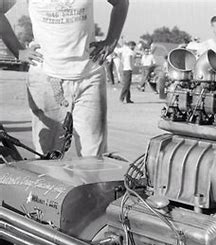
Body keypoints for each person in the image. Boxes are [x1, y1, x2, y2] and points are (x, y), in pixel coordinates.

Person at [1, 0, 129, 158]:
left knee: (93, 158)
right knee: (47, 158)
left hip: (89, 76)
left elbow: (121, 3)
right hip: (46, 77)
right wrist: (18, 50)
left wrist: (111, 41)